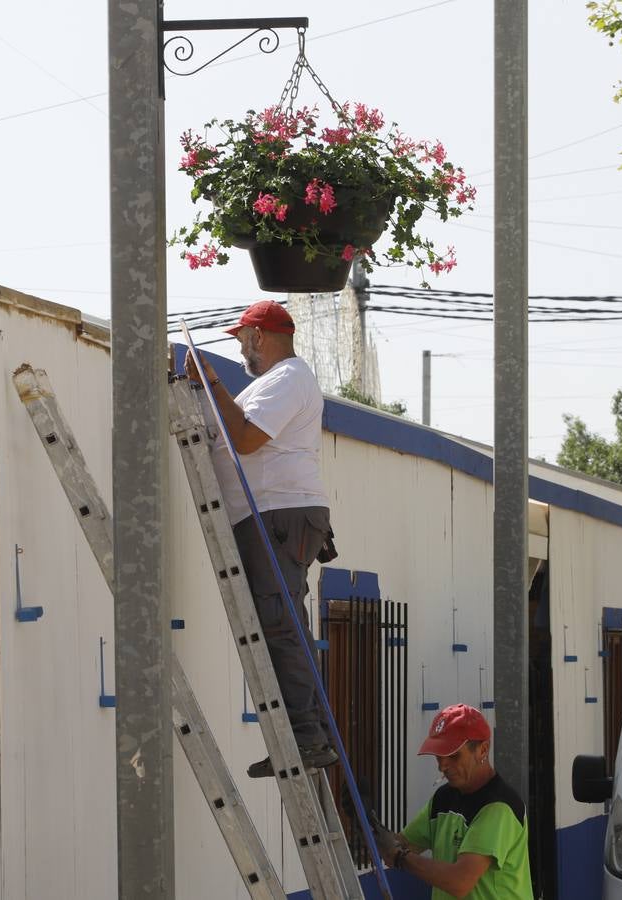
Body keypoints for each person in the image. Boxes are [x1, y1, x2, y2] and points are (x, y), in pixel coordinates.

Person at [183, 299, 338, 778]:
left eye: (241, 338)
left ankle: (307, 739)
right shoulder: (270, 384)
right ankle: (308, 735)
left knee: (278, 624)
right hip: (271, 516)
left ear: (260, 336)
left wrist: (211, 385)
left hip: (278, 515)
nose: (239, 347)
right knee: (281, 623)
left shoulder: (289, 378)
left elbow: (247, 440)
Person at [372, 704, 533, 900]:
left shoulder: (499, 808)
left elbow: (460, 882)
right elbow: (400, 846)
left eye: (453, 756)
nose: (443, 766)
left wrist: (399, 856)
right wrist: (370, 826)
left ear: (483, 750)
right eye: (439, 756)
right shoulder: (443, 799)